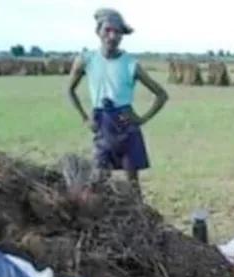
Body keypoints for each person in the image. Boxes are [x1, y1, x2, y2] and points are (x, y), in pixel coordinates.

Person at [67, 8, 168, 194]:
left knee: (133, 184)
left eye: (118, 32)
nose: (112, 36)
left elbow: (162, 95)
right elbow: (70, 90)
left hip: (126, 126)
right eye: (108, 30)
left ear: (122, 35)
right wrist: (85, 119)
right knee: (99, 181)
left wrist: (142, 119)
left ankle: (140, 220)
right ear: (98, 32)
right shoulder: (86, 60)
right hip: (101, 125)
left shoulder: (131, 64)